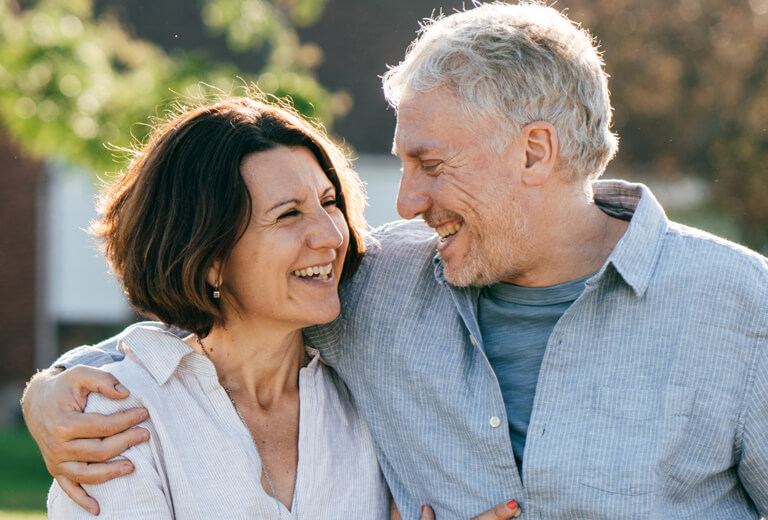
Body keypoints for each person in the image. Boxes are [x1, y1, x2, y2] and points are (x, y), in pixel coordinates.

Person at [22, 1, 768, 518]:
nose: (405, 202)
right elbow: (210, 324)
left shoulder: (741, 307)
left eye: (432, 164)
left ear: (534, 152)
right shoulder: (374, 289)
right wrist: (52, 388)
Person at [44, 94, 395, 518]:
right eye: (288, 215)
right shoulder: (122, 416)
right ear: (210, 260)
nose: (332, 236)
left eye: (329, 202)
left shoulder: (372, 398)